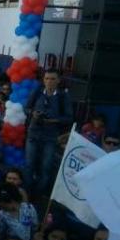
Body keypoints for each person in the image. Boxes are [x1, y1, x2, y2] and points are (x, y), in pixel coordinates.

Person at [25, 69, 73, 197]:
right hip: (33, 133)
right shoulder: (38, 92)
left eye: (52, 79)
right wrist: (33, 114)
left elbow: (69, 118)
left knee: (45, 167)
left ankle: (39, 195)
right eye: (46, 78)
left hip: (50, 136)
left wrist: (54, 120)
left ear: (58, 80)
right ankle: (26, 194)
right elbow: (27, 108)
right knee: (29, 165)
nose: (49, 81)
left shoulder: (63, 96)